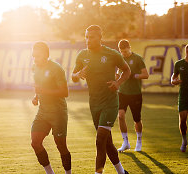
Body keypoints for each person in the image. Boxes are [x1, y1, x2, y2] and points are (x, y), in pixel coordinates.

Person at [72, 25, 130, 174]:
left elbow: (127, 70)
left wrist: (117, 83)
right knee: (107, 143)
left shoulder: (112, 54)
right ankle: (122, 172)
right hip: (94, 103)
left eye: (91, 37)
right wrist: (78, 75)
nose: (88, 40)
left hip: (110, 103)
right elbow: (73, 77)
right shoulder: (82, 55)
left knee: (100, 140)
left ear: (100, 38)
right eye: (86, 37)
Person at [30, 41, 71, 174]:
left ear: (46, 55)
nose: (35, 59)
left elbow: (65, 92)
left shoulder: (56, 68)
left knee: (61, 146)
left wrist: (43, 91)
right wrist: (36, 97)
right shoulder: (34, 68)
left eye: (38, 56)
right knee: (35, 143)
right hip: (43, 112)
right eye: (33, 56)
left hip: (58, 112)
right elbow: (38, 87)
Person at [116, 39, 149, 152]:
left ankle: (139, 141)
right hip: (122, 92)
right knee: (120, 116)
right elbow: (118, 74)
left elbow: (145, 75)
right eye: (122, 51)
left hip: (135, 93)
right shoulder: (120, 59)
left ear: (129, 48)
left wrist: (134, 76)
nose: (124, 53)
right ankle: (125, 142)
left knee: (137, 119)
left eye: (125, 51)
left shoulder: (138, 59)